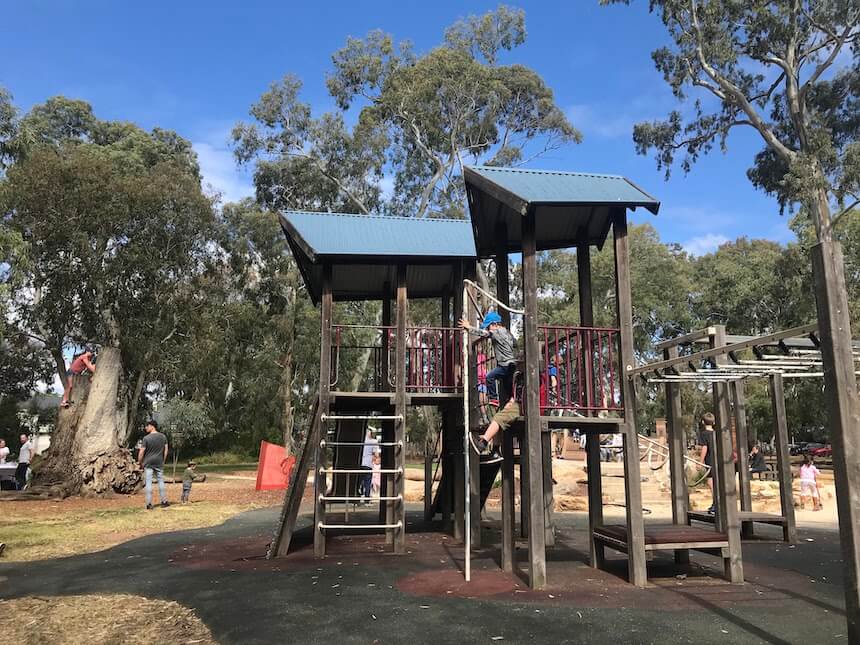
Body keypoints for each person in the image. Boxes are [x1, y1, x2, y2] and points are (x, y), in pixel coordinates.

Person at [460, 311, 517, 406]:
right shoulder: (507, 332)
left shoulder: (495, 332)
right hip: (512, 364)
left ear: (494, 324)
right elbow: (515, 344)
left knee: (489, 377)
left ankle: (494, 398)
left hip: (504, 364)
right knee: (508, 385)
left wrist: (469, 327)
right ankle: (512, 400)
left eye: (488, 326)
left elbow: (483, 333)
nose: (488, 328)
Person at [138, 420, 169, 509]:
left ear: (152, 426)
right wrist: (163, 460)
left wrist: (140, 462)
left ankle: (149, 504)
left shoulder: (146, 438)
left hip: (148, 462)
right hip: (159, 461)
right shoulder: (163, 436)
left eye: (147, 426)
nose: (146, 428)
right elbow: (166, 449)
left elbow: (142, 452)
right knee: (161, 481)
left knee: (148, 483)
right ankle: (164, 501)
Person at [697, 412, 717, 514]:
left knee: (711, 482)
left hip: (710, 460)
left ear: (703, 422)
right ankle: (716, 503)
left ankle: (716, 503)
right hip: (718, 460)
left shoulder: (703, 434)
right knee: (716, 482)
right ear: (713, 422)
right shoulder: (716, 434)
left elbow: (704, 448)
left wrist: (700, 462)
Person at [359, 428, 378, 505]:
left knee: (360, 481)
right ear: (370, 433)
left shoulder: (361, 441)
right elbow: (376, 454)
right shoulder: (374, 442)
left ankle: (358, 497)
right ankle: (367, 499)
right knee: (368, 482)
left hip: (360, 464)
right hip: (368, 464)